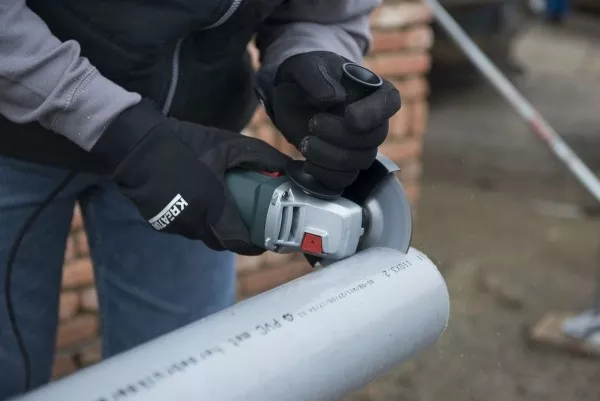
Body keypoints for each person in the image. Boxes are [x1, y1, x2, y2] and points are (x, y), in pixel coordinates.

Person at [0, 0, 401, 398]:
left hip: (193, 159)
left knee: (183, 381)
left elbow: (326, 14)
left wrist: (309, 60)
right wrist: (115, 126)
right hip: (16, 133)